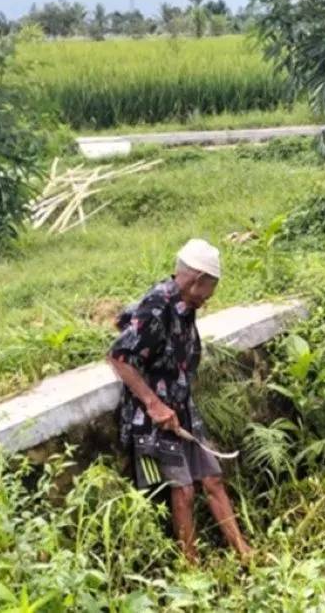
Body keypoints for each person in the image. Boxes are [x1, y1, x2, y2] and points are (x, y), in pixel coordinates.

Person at [107, 238, 252, 562]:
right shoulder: (156, 305)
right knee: (183, 489)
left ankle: (244, 552)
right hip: (154, 416)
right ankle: (190, 565)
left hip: (182, 405)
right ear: (197, 279)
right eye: (208, 290)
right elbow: (118, 356)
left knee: (212, 478)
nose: (207, 298)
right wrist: (154, 404)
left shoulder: (185, 305)